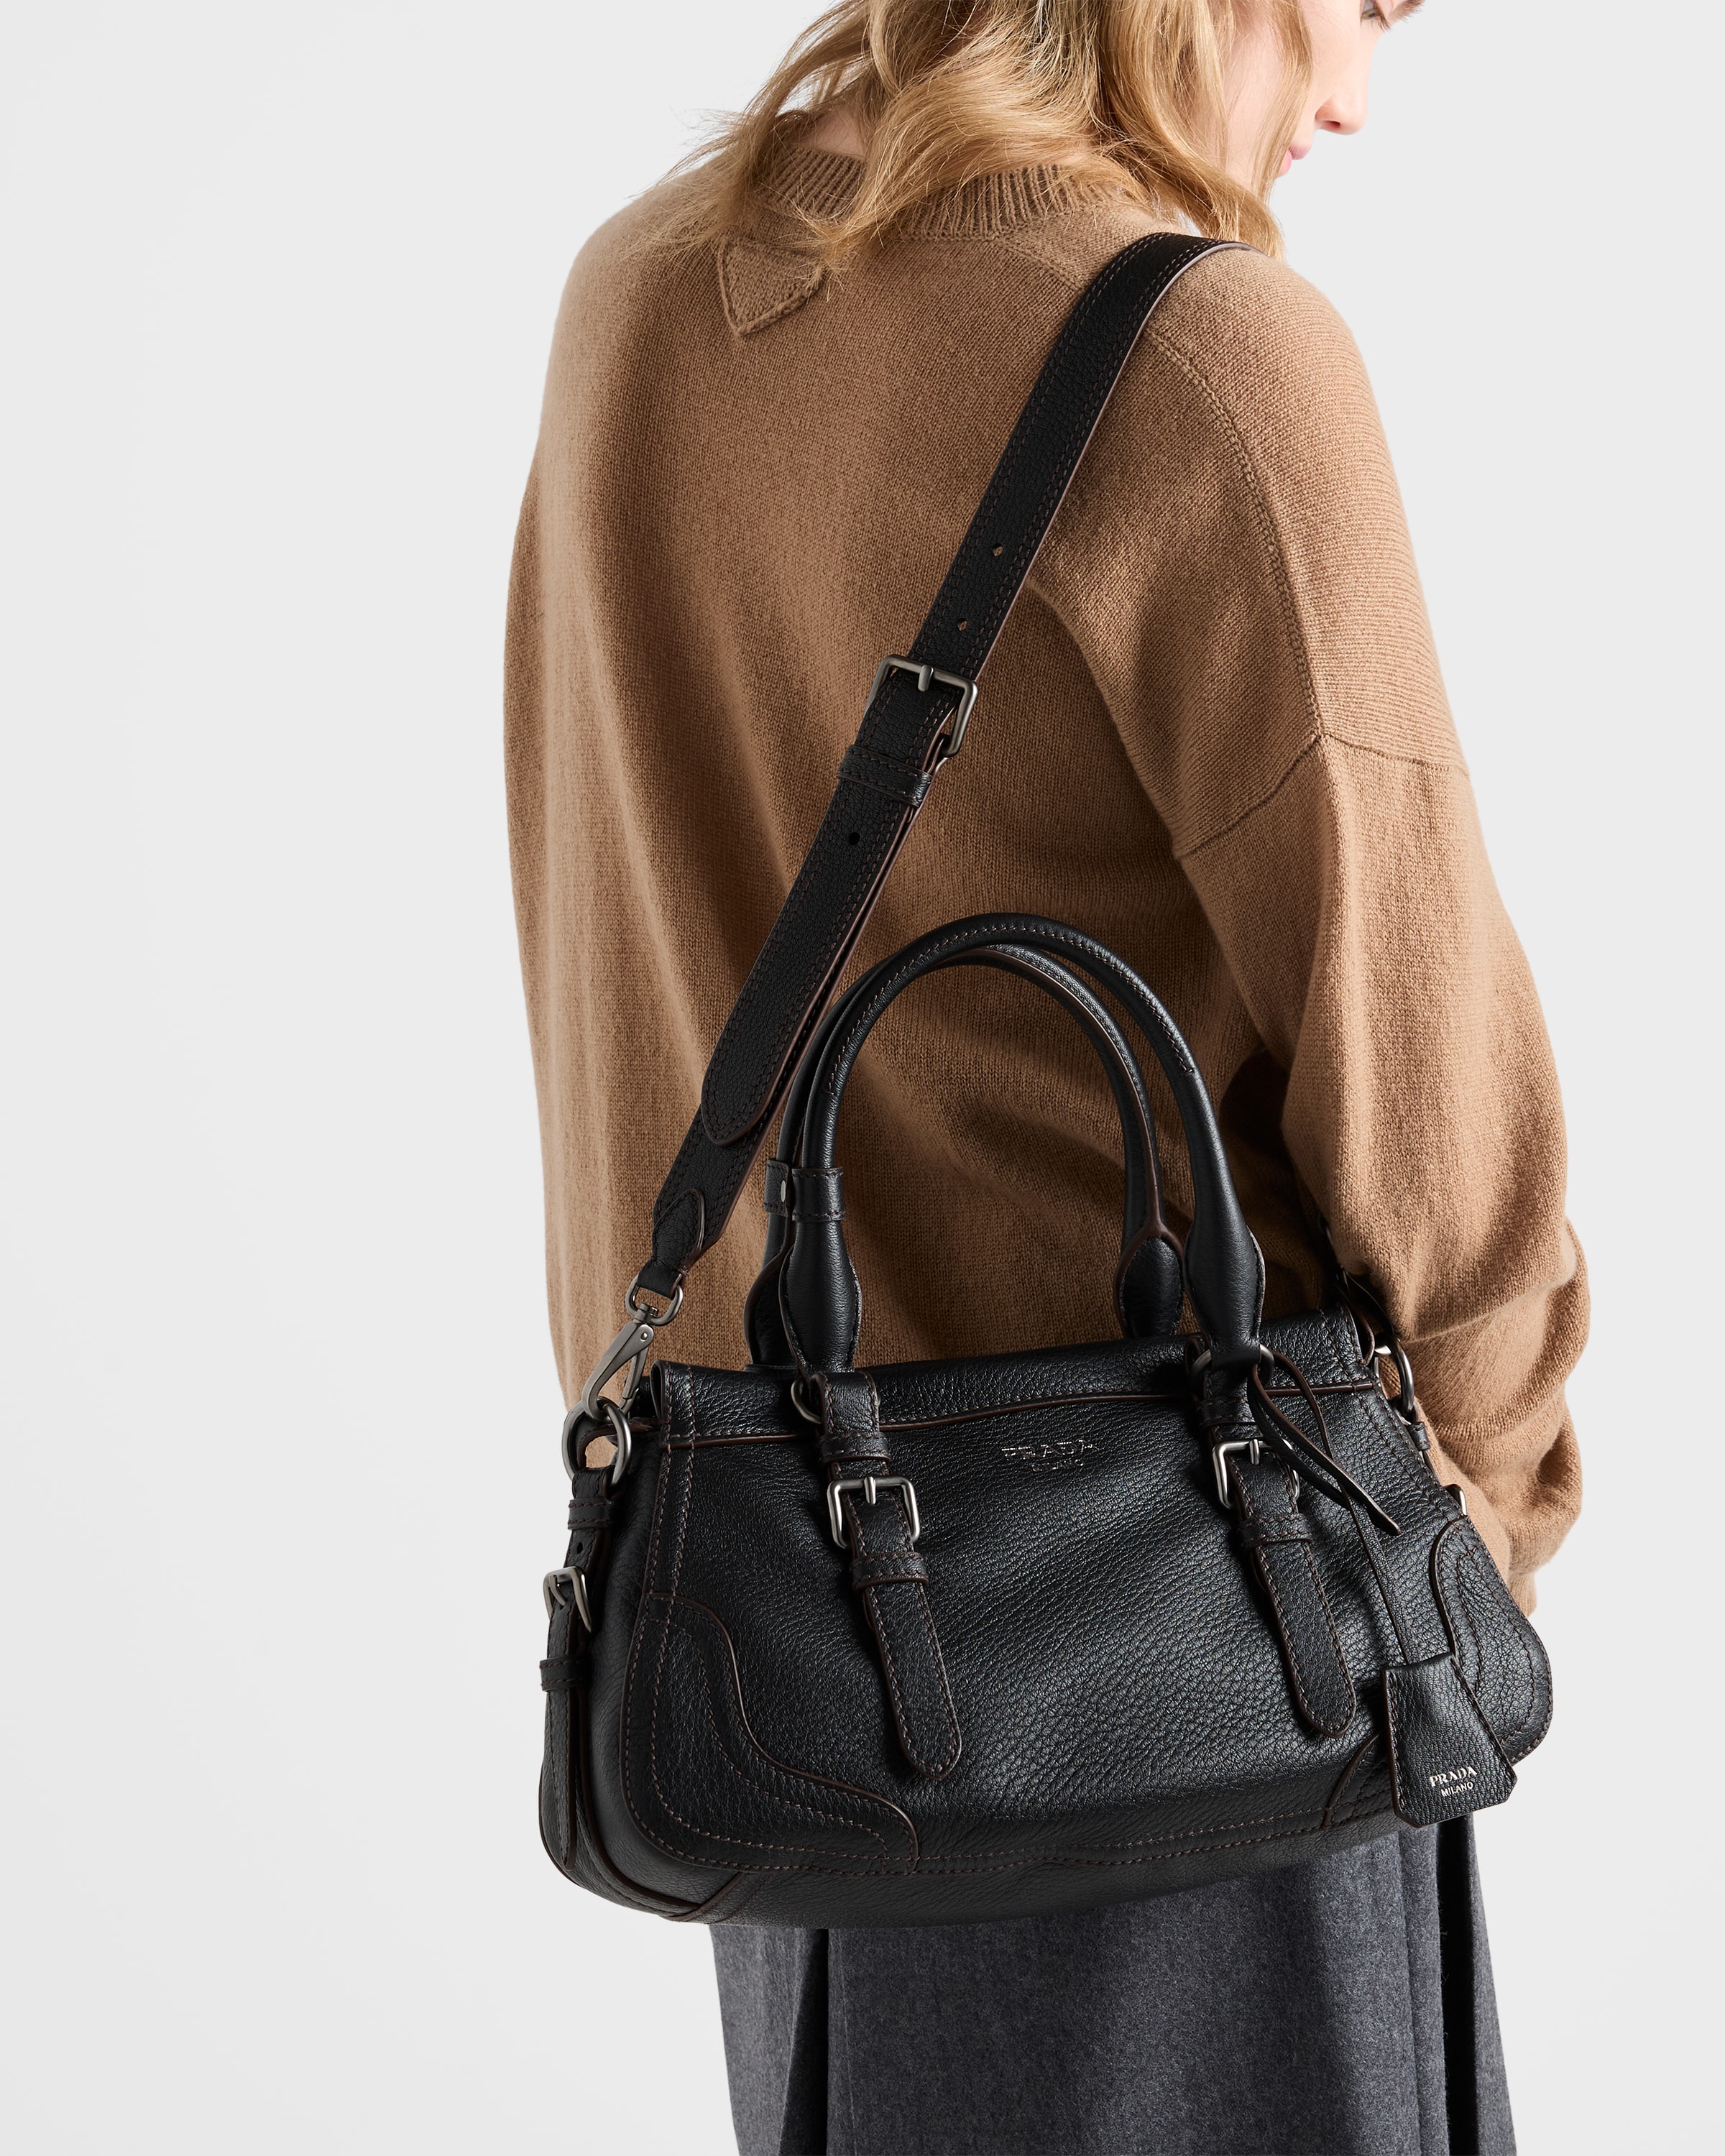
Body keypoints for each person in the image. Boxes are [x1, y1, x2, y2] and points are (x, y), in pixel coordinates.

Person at [505, 1, 1586, 2148]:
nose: (1354, 102)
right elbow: (1428, 1072)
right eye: (1365, 7)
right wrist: (1474, 1536)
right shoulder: (1209, 357)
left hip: (784, 1705)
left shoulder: (641, 297)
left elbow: (612, 949)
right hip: (1207, 1671)